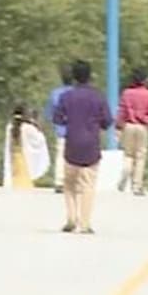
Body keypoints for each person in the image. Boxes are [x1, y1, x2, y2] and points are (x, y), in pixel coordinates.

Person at [52, 61, 111, 234]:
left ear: (75, 77)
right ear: (89, 76)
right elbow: (107, 121)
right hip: (91, 145)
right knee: (88, 185)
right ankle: (84, 223)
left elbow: (58, 119)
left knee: (69, 184)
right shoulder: (98, 97)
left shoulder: (66, 97)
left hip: (72, 144)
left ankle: (71, 218)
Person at [116, 69, 148, 196]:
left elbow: (122, 111)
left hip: (129, 126)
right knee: (140, 156)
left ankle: (125, 173)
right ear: (144, 80)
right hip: (142, 127)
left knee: (128, 154)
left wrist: (118, 126)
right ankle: (136, 185)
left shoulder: (126, 93)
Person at [2, 105, 50, 189]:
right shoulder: (27, 128)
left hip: (12, 156)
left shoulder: (9, 127)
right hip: (24, 158)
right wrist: (36, 124)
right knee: (24, 180)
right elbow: (40, 140)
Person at [43, 65, 74, 193]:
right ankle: (73, 181)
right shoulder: (76, 92)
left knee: (60, 155)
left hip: (60, 130)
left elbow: (49, 113)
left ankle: (59, 182)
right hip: (76, 129)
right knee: (74, 158)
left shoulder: (55, 93)